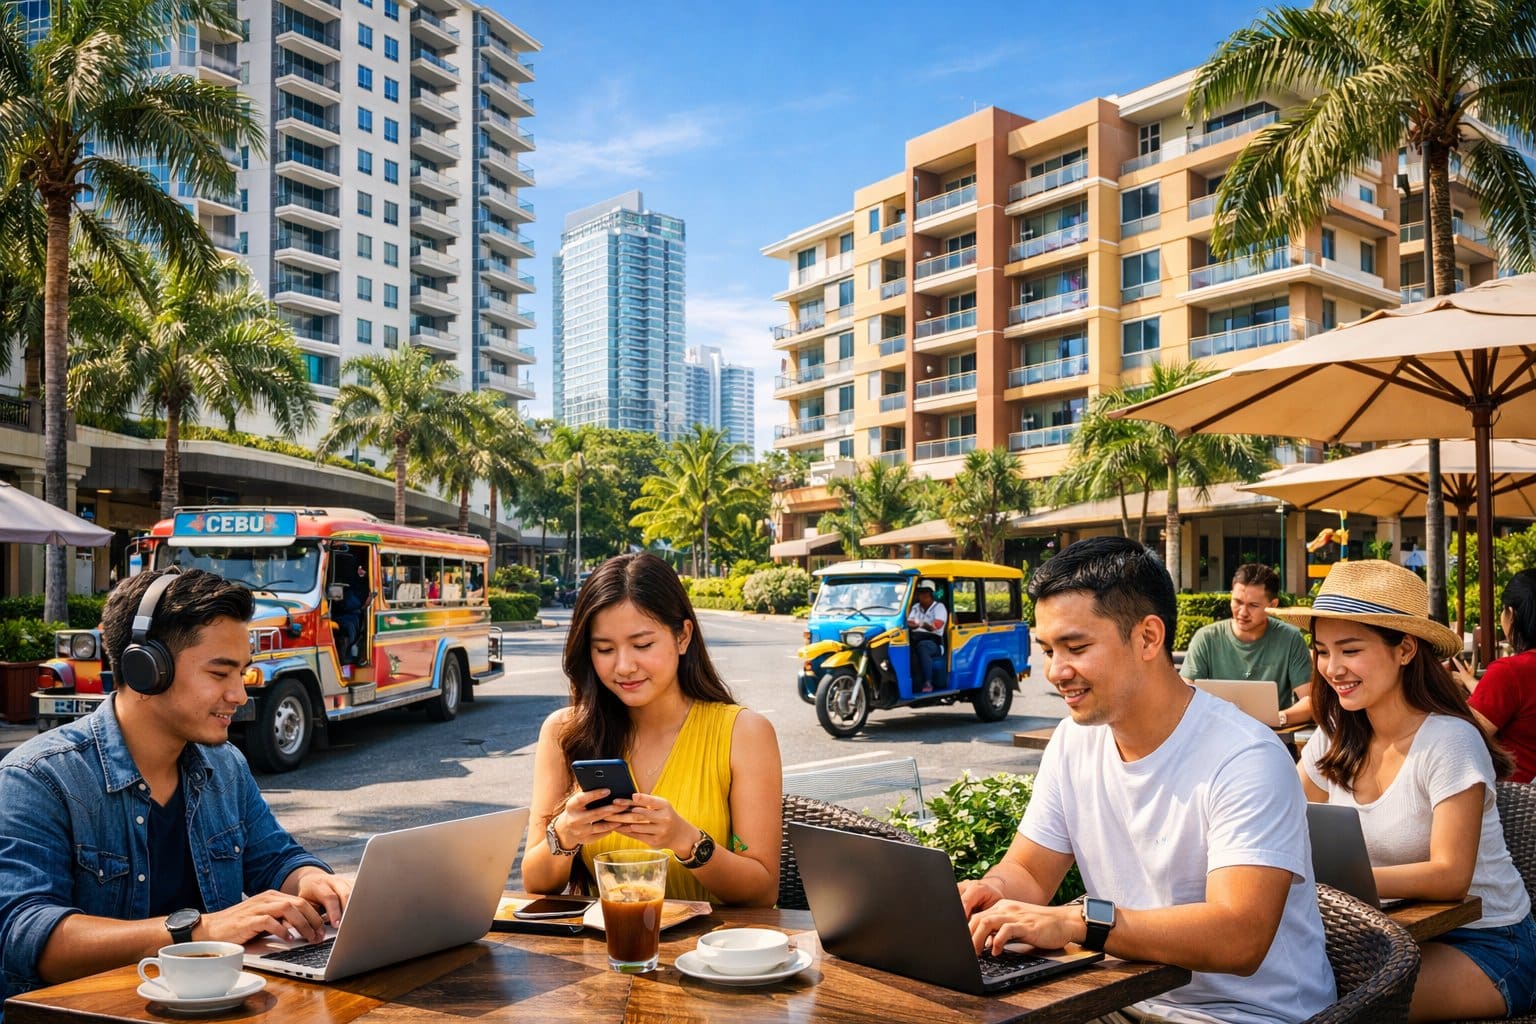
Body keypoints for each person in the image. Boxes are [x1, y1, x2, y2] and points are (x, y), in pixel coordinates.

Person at [959, 536, 1334, 1023]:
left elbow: (1240, 935)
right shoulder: (1075, 741)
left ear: (1148, 638)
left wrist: (1077, 922)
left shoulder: (1246, 756)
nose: (1055, 671)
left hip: (1248, 1015)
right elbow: (1029, 872)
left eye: (1076, 647)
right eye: (1048, 649)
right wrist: (990, 892)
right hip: (1123, 999)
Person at [0, 569, 351, 1010]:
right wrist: (199, 932)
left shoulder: (225, 765)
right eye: (220, 673)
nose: (239, 694)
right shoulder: (37, 777)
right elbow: (28, 937)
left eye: (242, 672)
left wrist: (313, 882)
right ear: (146, 668)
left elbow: (276, 858)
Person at [1273, 560, 1536, 1021]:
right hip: (1379, 932)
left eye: (1350, 650)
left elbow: (1451, 875)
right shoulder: (1333, 735)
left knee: (1322, 1002)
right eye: (1321, 651)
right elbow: (1283, 822)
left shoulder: (1450, 741)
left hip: (1487, 943)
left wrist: (1337, 881)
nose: (1333, 668)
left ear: (1406, 649)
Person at [523, 552, 781, 906]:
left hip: (714, 954)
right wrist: (565, 833)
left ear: (683, 636)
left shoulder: (744, 733)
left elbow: (763, 892)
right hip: (609, 949)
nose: (624, 666)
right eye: (604, 649)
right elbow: (535, 884)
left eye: (643, 645)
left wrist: (686, 841)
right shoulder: (565, 732)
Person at [1182, 563, 1315, 725]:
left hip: (1273, 738)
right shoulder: (1206, 638)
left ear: (1272, 605)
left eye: (1253, 605)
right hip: (1216, 737)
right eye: (1237, 602)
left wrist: (1276, 718)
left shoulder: (1291, 639)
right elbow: (1184, 696)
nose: (1242, 612)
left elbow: (1310, 702)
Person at [1466, 568, 1536, 783]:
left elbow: (1464, 737)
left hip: (1516, 807)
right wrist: (1472, 683)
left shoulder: (1511, 672)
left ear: (1511, 614)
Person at [906, 579, 948, 693]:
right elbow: (908, 622)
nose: (923, 595)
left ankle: (928, 682)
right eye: (920, 593)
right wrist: (917, 624)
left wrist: (921, 624)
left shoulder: (939, 607)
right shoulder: (915, 607)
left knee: (923, 647)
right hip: (915, 637)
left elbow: (936, 626)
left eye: (925, 592)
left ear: (931, 594)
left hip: (934, 642)